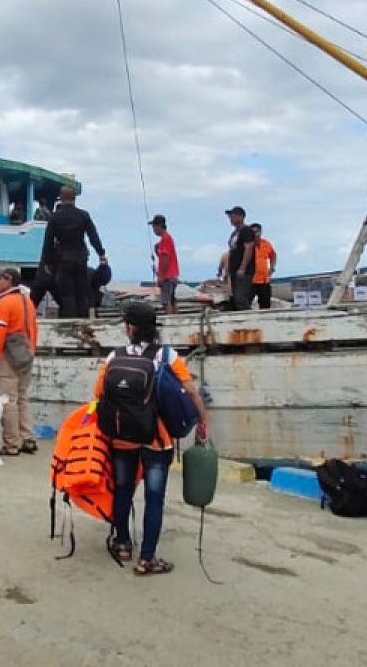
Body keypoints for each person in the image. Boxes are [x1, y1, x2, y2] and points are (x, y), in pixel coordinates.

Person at [95, 302, 208, 576]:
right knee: (154, 498)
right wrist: (203, 422)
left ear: (130, 328)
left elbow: (99, 394)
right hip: (157, 440)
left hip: (122, 440)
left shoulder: (113, 357)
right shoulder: (168, 356)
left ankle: (122, 544)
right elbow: (191, 392)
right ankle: (147, 559)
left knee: (123, 490)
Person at [0, 268, 39, 457]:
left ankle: (11, 444)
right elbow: (34, 329)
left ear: (9, 280)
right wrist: (31, 351)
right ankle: (27, 438)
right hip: (26, 354)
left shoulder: (5, 303)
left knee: (8, 400)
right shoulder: (27, 301)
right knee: (23, 398)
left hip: (9, 357)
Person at [41, 186, 107, 319]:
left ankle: (70, 321)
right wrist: (101, 253)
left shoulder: (54, 217)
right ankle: (84, 320)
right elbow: (93, 235)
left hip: (63, 259)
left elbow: (48, 241)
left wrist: (47, 261)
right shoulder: (83, 215)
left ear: (60, 198)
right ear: (74, 198)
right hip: (81, 257)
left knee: (67, 294)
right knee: (82, 291)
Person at [224, 206, 256, 311]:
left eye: (233, 216)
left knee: (241, 298)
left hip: (243, 271)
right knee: (235, 298)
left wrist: (243, 267)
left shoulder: (246, 231)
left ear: (241, 217)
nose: (231, 219)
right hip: (234, 269)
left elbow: (249, 249)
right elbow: (231, 251)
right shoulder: (234, 233)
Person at [150, 214, 179, 315]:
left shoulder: (165, 239)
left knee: (166, 302)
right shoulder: (167, 238)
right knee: (172, 300)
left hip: (168, 277)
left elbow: (165, 259)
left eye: (154, 226)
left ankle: (171, 321)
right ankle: (176, 321)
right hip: (173, 275)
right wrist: (158, 252)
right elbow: (165, 257)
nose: (153, 229)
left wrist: (161, 276)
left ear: (159, 226)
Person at [250, 223, 278, 310]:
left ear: (260, 232)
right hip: (251, 280)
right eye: (253, 232)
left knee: (265, 305)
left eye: (256, 231)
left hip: (264, 280)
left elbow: (273, 255)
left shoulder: (266, 244)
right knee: (245, 303)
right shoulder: (248, 245)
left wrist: (272, 267)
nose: (255, 234)